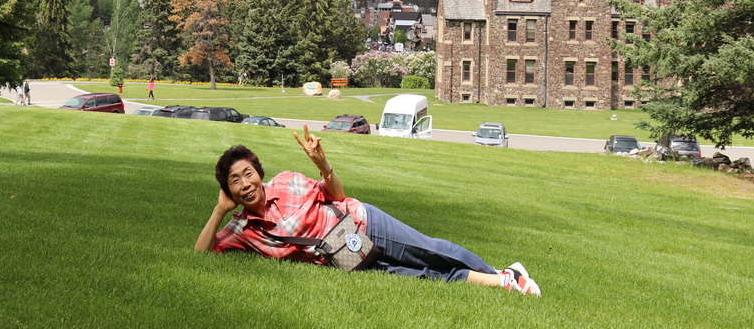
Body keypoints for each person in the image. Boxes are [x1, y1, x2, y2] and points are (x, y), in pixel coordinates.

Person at [195, 126, 540, 295]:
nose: (245, 184)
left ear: (259, 172)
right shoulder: (244, 230)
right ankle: (504, 282)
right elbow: (200, 255)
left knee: (430, 250)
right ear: (228, 190)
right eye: (235, 180)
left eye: (248, 173)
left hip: (361, 223)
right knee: (422, 275)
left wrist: (322, 164)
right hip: (344, 258)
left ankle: (506, 274)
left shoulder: (287, 181)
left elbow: (337, 195)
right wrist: (218, 211)